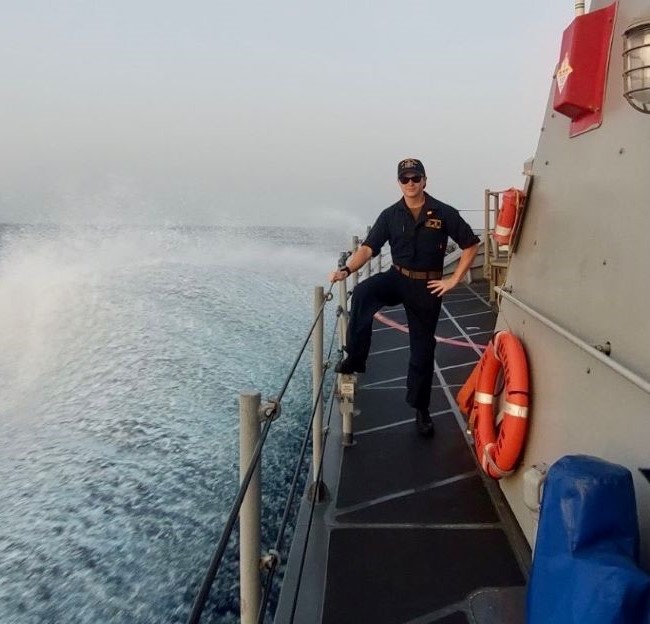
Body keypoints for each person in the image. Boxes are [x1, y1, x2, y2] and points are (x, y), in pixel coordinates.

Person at [329, 158, 479, 437]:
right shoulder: (390, 215)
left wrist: (454, 279)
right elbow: (369, 248)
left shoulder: (443, 212)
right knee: (363, 292)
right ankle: (356, 357)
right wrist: (347, 268)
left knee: (422, 351)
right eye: (405, 179)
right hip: (397, 277)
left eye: (415, 178)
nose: (410, 183)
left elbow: (471, 244)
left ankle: (421, 409)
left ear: (424, 180)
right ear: (399, 182)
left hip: (428, 286)